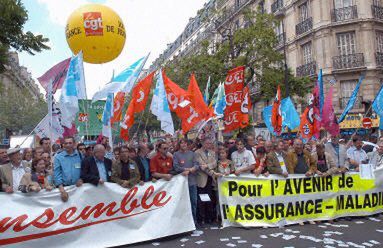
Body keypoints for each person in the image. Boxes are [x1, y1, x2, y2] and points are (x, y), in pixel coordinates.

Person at [173, 139, 199, 224]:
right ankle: (184, 223)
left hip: (192, 182)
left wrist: (192, 169)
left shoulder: (192, 154)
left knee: (193, 202)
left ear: (187, 144)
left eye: (185, 143)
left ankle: (194, 221)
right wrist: (186, 169)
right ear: (179, 145)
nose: (183, 145)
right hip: (181, 184)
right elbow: (176, 167)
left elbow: (197, 165)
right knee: (183, 203)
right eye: (181, 143)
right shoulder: (176, 155)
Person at [54, 136, 83, 202]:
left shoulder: (80, 155)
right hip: (65, 189)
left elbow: (84, 170)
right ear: (63, 144)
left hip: (79, 188)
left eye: (70, 143)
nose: (68, 145)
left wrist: (82, 179)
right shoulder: (58, 157)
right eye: (66, 143)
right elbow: (57, 174)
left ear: (74, 144)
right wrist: (62, 191)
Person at [195, 138, 217, 225]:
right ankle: (202, 217)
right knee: (202, 198)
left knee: (210, 198)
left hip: (210, 179)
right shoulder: (197, 153)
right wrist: (212, 172)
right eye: (207, 143)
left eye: (210, 143)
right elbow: (201, 166)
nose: (209, 145)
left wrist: (207, 166)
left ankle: (209, 217)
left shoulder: (212, 152)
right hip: (202, 178)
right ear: (202, 143)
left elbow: (214, 163)